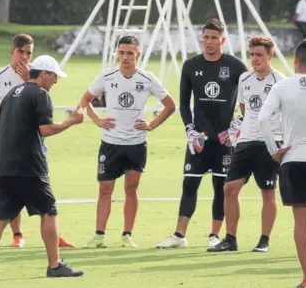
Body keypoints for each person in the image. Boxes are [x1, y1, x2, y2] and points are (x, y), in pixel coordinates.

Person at [0, 55, 84, 278]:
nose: (55, 81)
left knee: (1, 216)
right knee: (49, 211)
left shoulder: (9, 96)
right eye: (54, 76)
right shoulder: (40, 94)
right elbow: (45, 130)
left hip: (4, 165)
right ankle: (54, 265)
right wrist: (70, 121)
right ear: (44, 73)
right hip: (29, 166)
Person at [155, 18, 248, 250]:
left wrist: (238, 125)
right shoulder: (190, 65)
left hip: (225, 140)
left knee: (221, 187)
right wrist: (189, 129)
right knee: (189, 185)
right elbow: (184, 105)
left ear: (222, 40)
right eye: (206, 37)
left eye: (214, 38)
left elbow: (251, 101)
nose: (209, 42)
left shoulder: (236, 67)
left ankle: (214, 236)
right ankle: (179, 235)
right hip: (199, 139)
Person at [79, 36, 176, 248]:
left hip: (136, 142)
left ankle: (126, 235)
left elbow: (170, 105)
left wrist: (152, 124)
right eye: (121, 53)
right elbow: (85, 100)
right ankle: (99, 235)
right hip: (110, 142)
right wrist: (97, 120)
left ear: (137, 54)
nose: (125, 57)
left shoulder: (147, 78)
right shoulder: (107, 75)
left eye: (130, 53)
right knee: (105, 189)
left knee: (131, 189)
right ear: (117, 54)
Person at [258, 38, 306, 288]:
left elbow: (262, 119)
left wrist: (274, 151)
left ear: (295, 60)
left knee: (301, 221)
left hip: (292, 160)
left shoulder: (282, 87)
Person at [208, 35, 286, 253]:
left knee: (267, 191)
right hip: (245, 142)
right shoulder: (244, 79)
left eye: (259, 55)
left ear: (270, 55)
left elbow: (287, 113)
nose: (255, 59)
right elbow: (244, 108)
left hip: (269, 143)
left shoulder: (280, 81)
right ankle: (230, 239)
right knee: (230, 188)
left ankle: (264, 240)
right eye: (252, 54)